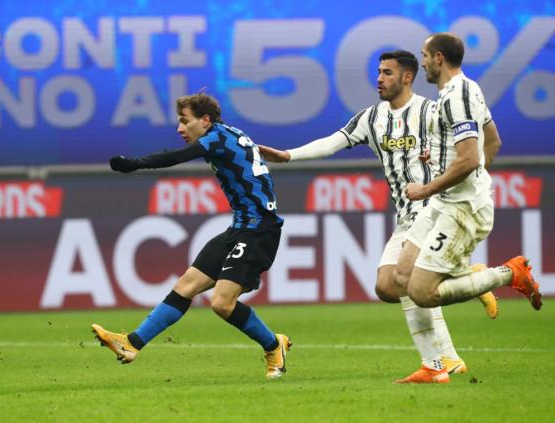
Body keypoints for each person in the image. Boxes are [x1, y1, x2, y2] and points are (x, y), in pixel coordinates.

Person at [258, 50, 498, 382]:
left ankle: (441, 362)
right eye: (379, 72)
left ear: (407, 77)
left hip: (432, 205)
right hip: (405, 213)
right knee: (387, 287)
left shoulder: (432, 111)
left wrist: (454, 177)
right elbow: (334, 142)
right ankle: (467, 282)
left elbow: (474, 141)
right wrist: (288, 155)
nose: (379, 79)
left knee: (405, 279)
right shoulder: (371, 118)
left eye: (387, 72)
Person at [92, 92, 291, 379]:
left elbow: (176, 157)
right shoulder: (228, 134)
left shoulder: (215, 138)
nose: (180, 129)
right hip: (240, 228)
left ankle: (274, 346)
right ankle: (131, 344)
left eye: (185, 121)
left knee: (221, 303)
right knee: (186, 285)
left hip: (260, 231)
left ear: (205, 120)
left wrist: (133, 163)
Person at [393, 33, 542, 383]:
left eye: (425, 55)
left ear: (439, 58)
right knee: (402, 275)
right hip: (446, 201)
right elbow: (493, 141)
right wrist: (471, 177)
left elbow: (471, 156)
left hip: (460, 208)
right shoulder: (467, 89)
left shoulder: (456, 97)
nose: (423, 61)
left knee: (423, 292)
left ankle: (508, 274)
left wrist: (430, 187)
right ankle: (435, 367)